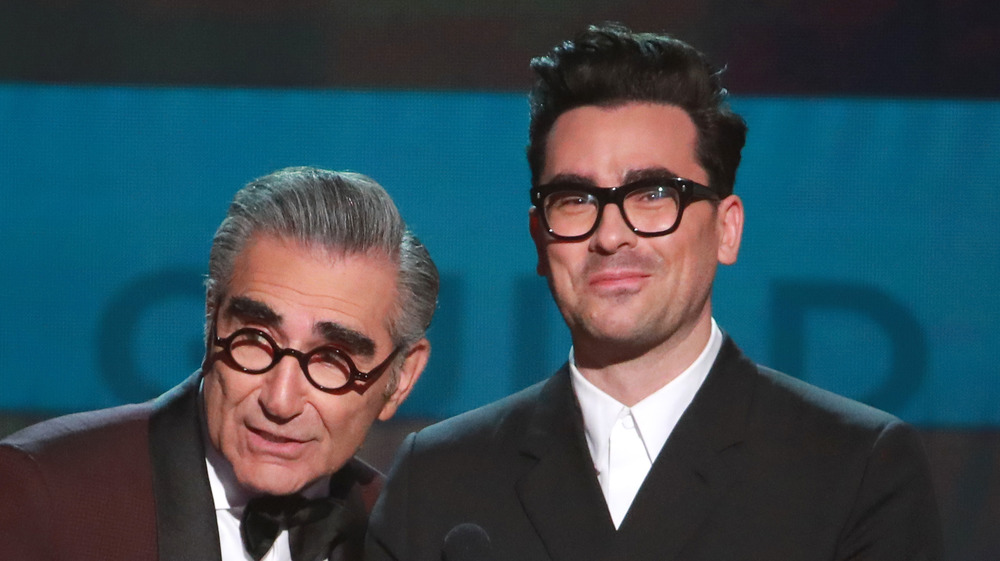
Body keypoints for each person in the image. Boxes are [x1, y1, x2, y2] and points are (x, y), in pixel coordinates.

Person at [366, 23, 942, 561]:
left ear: (726, 228)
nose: (611, 235)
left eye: (652, 195)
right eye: (575, 200)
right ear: (541, 240)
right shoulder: (440, 476)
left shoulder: (855, 468)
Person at [0, 166, 439, 561]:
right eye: (256, 339)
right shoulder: (42, 496)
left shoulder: (408, 538)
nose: (280, 401)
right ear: (211, 320)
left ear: (400, 379)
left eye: (332, 359)